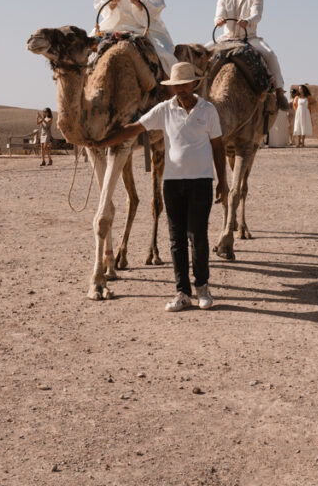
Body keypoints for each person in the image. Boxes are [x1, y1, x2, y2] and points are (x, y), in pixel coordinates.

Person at [86, 62, 228, 311]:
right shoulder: (165, 109)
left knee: (198, 237)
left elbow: (218, 146)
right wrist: (101, 142)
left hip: (201, 182)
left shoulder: (208, 111)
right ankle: (182, 292)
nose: (180, 90)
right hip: (172, 184)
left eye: (184, 84)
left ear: (195, 84)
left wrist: (223, 182)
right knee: (176, 240)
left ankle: (202, 288)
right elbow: (134, 128)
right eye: (176, 86)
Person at [211, 0, 288, 110]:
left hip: (249, 38)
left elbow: (256, 14)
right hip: (227, 39)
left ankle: (279, 93)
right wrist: (219, 21)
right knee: (202, 53)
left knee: (270, 55)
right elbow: (218, 15)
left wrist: (248, 21)